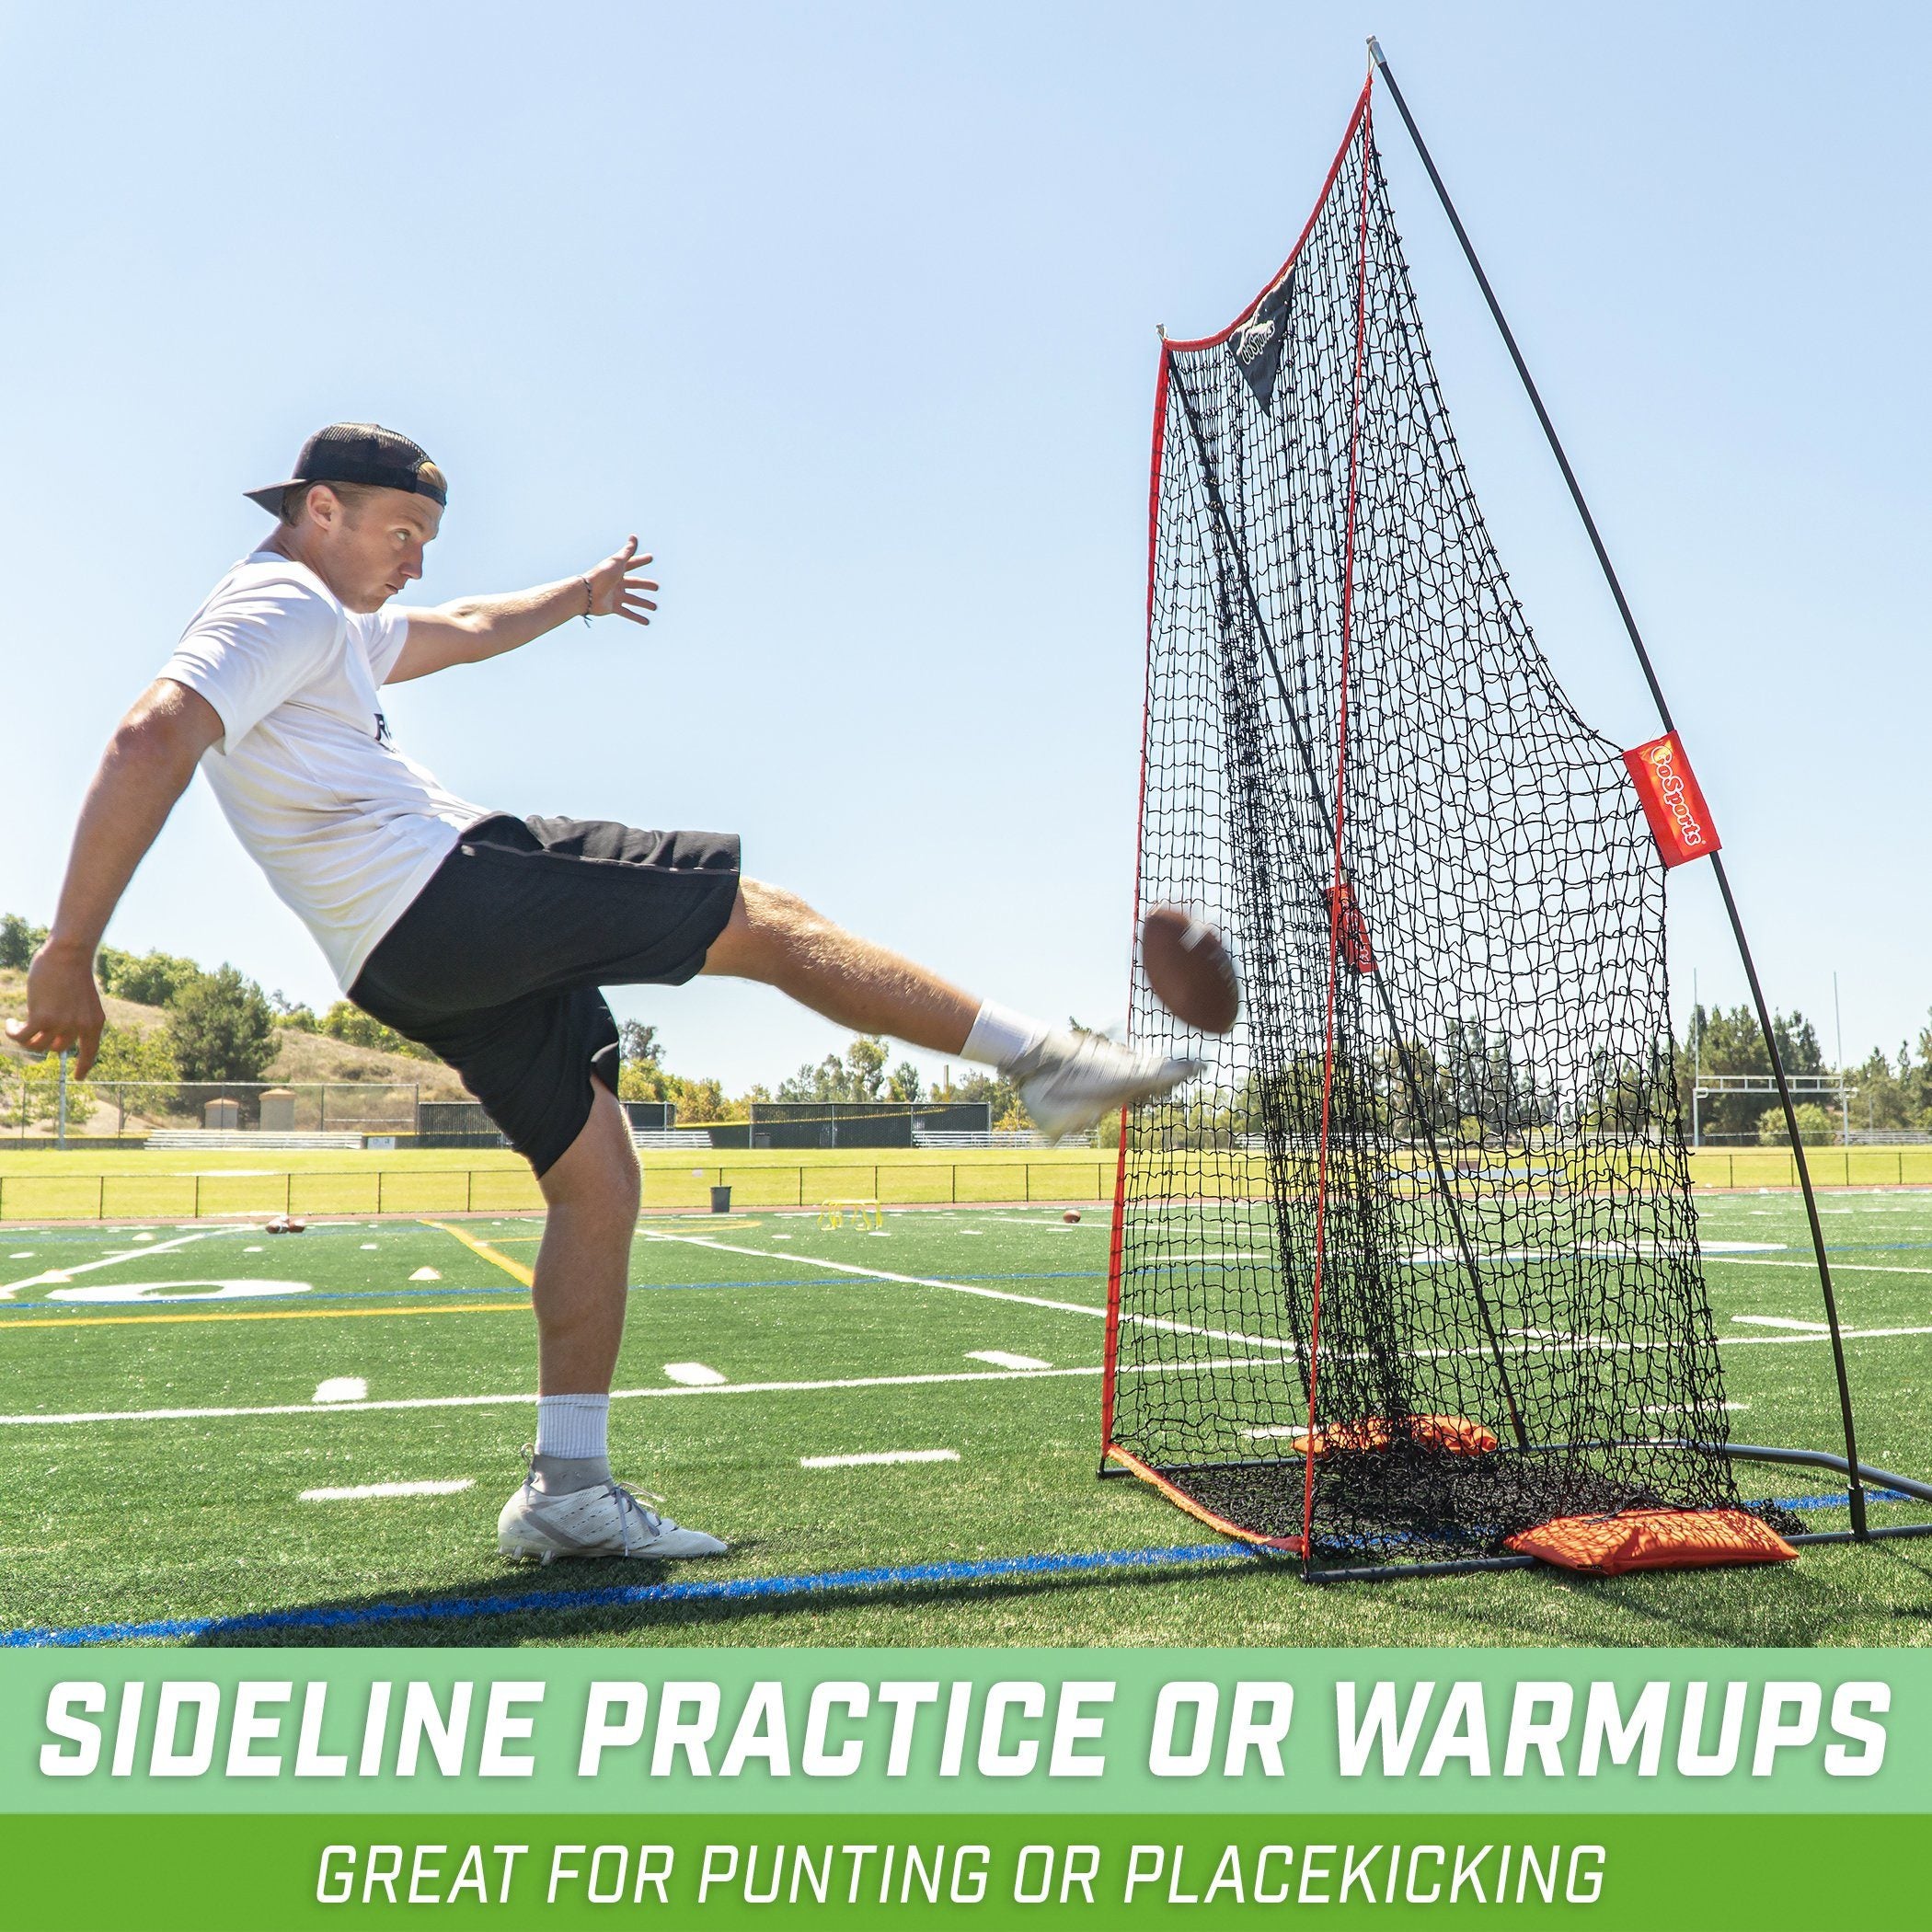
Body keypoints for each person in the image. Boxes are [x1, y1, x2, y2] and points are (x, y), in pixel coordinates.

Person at [6, 423, 1196, 1563]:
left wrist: (576, 595)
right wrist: (70, 950)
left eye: (428, 537)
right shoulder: (283, 603)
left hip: (400, 961)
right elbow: (149, 737)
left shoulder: (336, 626)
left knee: (599, 1175)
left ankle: (568, 1491)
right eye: (401, 532)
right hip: (447, 892)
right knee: (767, 920)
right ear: (322, 510)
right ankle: (1046, 1062)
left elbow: (467, 625)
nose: (416, 560)